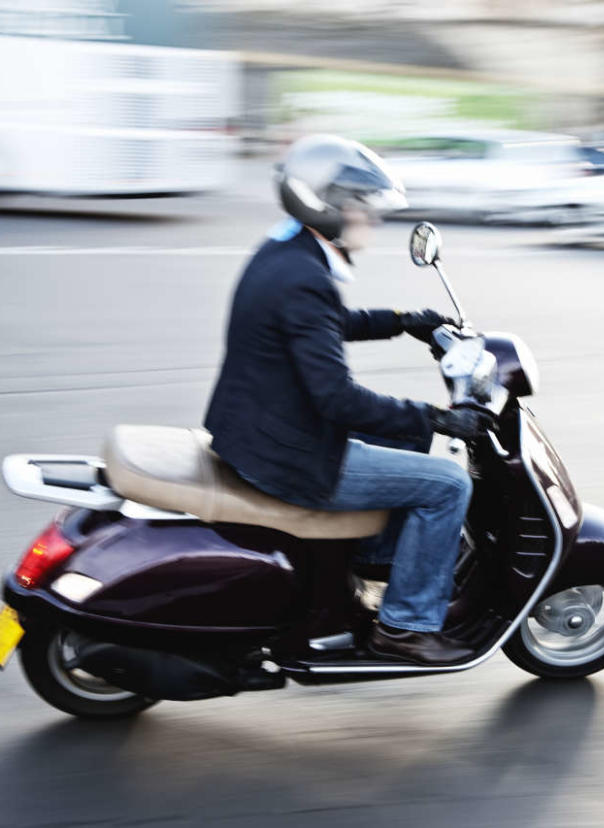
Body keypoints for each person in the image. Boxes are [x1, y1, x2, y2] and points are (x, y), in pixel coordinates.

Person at [204, 134, 493, 666]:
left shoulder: (286, 252)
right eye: (364, 208)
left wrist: (403, 322)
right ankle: (404, 627)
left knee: (405, 434)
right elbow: (337, 399)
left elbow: (323, 326)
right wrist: (441, 418)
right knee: (448, 484)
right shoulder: (304, 277)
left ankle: (374, 556)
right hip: (291, 458)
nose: (372, 220)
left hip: (258, 431)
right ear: (330, 208)